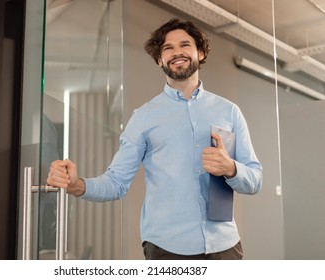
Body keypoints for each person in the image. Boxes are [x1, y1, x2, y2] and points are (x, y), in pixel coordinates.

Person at [47, 18, 263, 260]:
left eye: (185, 45)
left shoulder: (229, 111)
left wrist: (231, 168)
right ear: (160, 60)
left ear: (200, 53)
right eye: (167, 48)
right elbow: (116, 182)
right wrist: (77, 185)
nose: (176, 52)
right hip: (168, 249)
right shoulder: (143, 118)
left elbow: (255, 179)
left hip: (226, 246)